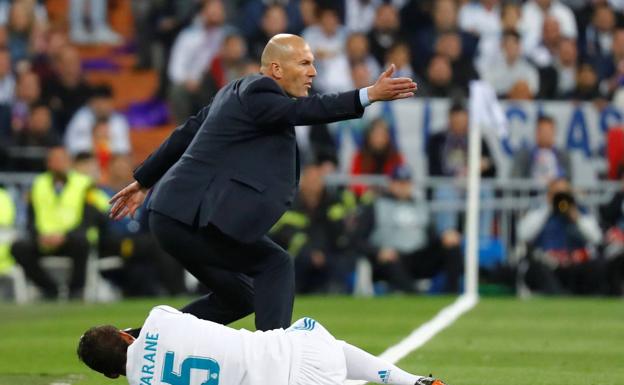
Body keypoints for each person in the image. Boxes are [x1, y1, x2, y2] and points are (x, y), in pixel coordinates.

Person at [108, 33, 416, 331]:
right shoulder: (260, 91)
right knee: (275, 264)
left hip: (177, 214)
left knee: (244, 297)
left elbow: (186, 132)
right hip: (189, 217)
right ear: (277, 69)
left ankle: (134, 342)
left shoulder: (235, 92)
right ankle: (274, 360)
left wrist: (144, 181)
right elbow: (307, 110)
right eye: (305, 63)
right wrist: (368, 95)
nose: (314, 71)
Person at [77, 305, 447, 385]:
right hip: (306, 351)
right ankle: (408, 380)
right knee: (308, 333)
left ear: (112, 374)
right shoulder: (158, 318)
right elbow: (143, 331)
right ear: (126, 335)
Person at [358, 165, 463, 293]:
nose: (403, 187)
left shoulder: (421, 206)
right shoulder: (377, 206)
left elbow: (432, 237)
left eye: (406, 183)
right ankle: (413, 294)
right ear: (390, 183)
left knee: (451, 244)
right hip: (391, 258)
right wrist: (377, 252)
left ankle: (452, 293)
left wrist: (445, 237)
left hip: (418, 257)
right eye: (399, 182)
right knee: (390, 261)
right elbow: (358, 239)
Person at [517, 177, 605, 295]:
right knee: (537, 269)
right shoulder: (540, 211)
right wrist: (548, 207)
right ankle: (559, 296)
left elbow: (597, 237)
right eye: (557, 194)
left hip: (574, 264)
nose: (561, 198)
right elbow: (523, 234)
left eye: (565, 193)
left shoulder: (580, 211)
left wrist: (576, 216)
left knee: (598, 266)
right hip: (548, 264)